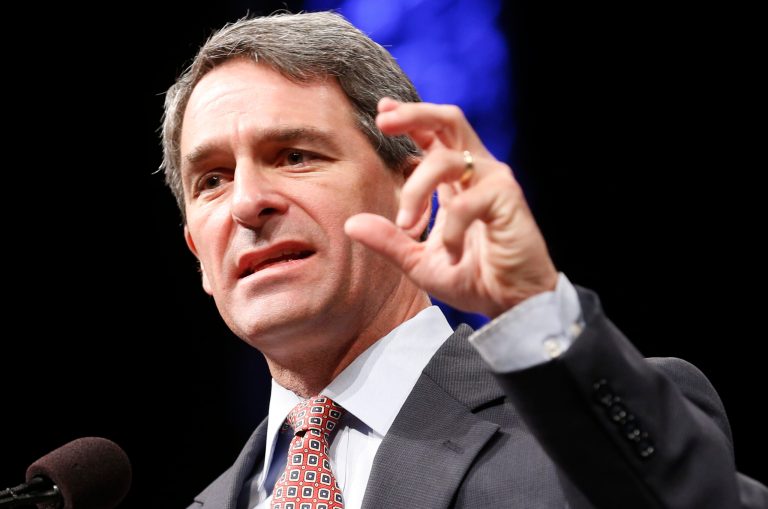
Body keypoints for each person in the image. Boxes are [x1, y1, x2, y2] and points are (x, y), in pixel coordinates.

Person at [160, 11, 767, 509]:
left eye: (295, 156)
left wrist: (530, 306)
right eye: (211, 179)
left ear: (414, 190)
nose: (247, 203)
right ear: (198, 254)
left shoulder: (583, 426)